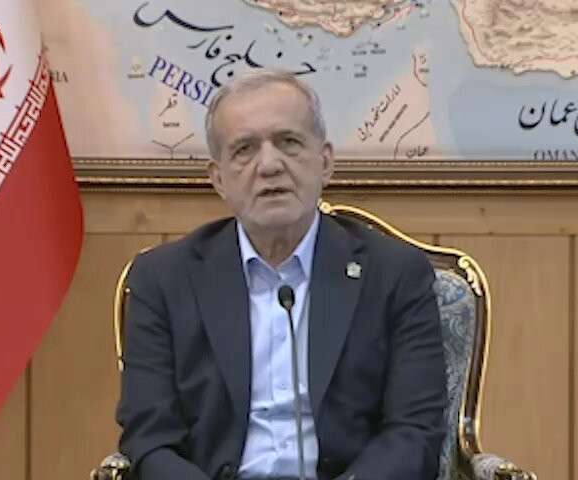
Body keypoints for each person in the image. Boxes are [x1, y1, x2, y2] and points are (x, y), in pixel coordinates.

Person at [117, 69, 447, 480]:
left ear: (325, 163)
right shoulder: (164, 280)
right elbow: (150, 439)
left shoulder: (395, 274)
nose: (269, 165)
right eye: (244, 149)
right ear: (218, 179)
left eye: (288, 142)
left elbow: (414, 432)